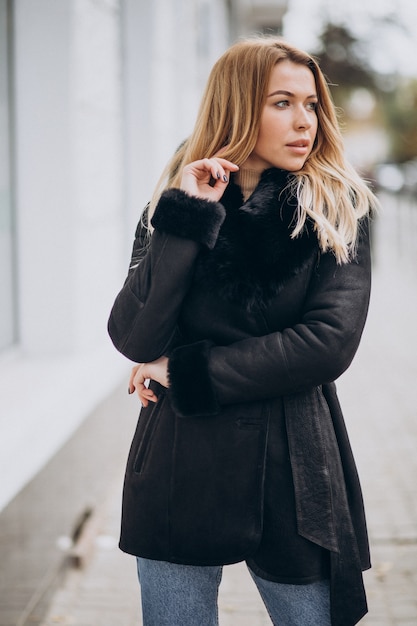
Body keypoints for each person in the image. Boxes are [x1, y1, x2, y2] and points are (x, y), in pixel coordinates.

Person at [108, 36, 379, 626]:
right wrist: (187, 221)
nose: (304, 121)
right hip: (182, 452)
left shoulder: (337, 207)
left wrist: (186, 370)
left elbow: (326, 343)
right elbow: (135, 337)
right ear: (236, 107)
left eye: (311, 104)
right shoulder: (176, 201)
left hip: (293, 457)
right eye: (282, 102)